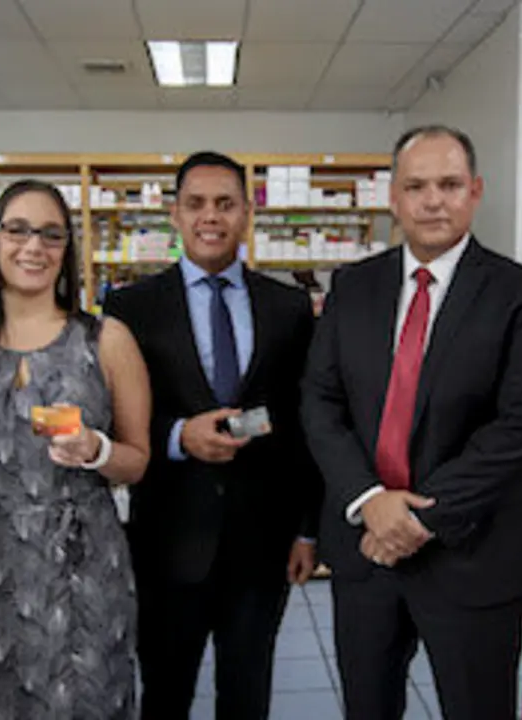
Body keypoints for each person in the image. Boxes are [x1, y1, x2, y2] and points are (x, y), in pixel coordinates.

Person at [300, 125, 522, 720]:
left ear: (475, 191)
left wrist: (419, 517)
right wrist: (370, 500)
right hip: (366, 549)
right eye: (416, 186)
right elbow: (320, 402)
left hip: (473, 550)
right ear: (393, 197)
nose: (432, 200)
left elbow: (521, 424)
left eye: (449, 184)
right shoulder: (353, 287)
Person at [0, 179, 151, 720]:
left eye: (51, 234)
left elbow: (138, 460)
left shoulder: (106, 340)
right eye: (17, 230)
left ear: (66, 251)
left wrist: (96, 450)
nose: (33, 247)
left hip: (83, 567)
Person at [103, 151, 322, 720]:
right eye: (196, 204)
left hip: (261, 544)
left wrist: (306, 530)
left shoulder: (289, 308)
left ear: (247, 214)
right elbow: (113, 417)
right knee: (166, 695)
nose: (211, 217)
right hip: (168, 542)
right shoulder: (130, 308)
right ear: (174, 214)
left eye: (225, 204)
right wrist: (178, 435)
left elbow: (303, 424)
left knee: (247, 697)